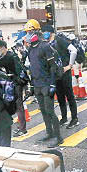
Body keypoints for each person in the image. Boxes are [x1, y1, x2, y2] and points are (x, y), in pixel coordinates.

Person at [24, 19, 62, 147]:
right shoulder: (30, 49)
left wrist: (52, 84)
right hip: (37, 84)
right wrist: (31, 85)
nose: (28, 34)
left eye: (30, 32)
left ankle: (58, 137)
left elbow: (52, 67)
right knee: (43, 111)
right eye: (27, 32)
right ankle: (49, 133)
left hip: (47, 84)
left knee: (50, 111)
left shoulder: (45, 46)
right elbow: (32, 68)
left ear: (36, 31)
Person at [43, 25, 80, 129]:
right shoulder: (48, 43)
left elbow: (74, 50)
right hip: (55, 74)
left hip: (64, 72)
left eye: (44, 32)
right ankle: (64, 118)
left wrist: (69, 65)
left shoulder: (59, 40)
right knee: (60, 97)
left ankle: (74, 119)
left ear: (50, 32)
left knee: (69, 96)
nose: (43, 34)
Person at [0, 40, 28, 136]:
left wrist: (22, 84)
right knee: (13, 106)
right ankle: (20, 126)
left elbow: (20, 71)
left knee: (18, 106)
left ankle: (23, 129)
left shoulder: (11, 56)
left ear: (3, 47)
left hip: (16, 84)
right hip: (9, 84)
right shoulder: (1, 57)